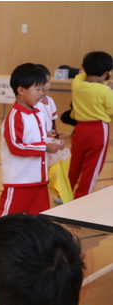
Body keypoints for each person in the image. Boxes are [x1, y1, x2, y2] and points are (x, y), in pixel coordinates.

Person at [0, 63, 64, 217]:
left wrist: (53, 141)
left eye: (43, 88)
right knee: (6, 222)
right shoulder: (15, 117)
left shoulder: (38, 112)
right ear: (21, 90)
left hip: (39, 181)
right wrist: (45, 147)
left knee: (42, 221)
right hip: (20, 181)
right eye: (38, 89)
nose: (42, 93)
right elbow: (16, 146)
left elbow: (38, 138)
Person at [68, 51, 113, 199]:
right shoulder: (105, 90)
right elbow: (111, 110)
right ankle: (81, 197)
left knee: (75, 165)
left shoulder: (77, 84)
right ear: (106, 73)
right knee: (92, 168)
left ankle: (64, 193)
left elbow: (81, 76)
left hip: (79, 129)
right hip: (98, 130)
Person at [35, 64, 59, 138]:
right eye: (42, 82)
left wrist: (56, 136)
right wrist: (45, 132)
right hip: (38, 137)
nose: (45, 85)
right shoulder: (33, 103)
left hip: (48, 137)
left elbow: (53, 122)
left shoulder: (50, 101)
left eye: (47, 81)